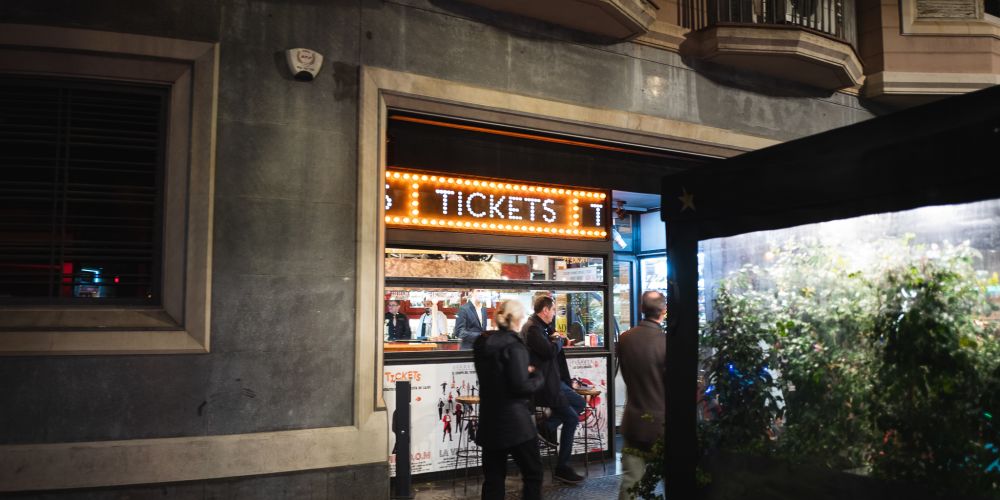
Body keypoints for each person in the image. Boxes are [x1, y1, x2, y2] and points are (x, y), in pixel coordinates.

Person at [473, 299, 544, 500]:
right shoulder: (515, 347)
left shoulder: (481, 344)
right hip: (516, 423)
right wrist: (536, 377)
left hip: (489, 420)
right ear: (517, 320)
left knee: (493, 478)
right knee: (533, 472)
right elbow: (520, 387)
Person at [521, 295, 585, 484]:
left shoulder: (543, 327)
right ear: (545, 310)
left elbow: (553, 353)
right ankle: (562, 467)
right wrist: (557, 340)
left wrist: (555, 339)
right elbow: (549, 351)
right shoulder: (532, 328)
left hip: (556, 381)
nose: (555, 313)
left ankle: (546, 426)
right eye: (554, 309)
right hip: (546, 385)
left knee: (580, 403)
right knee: (572, 418)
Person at [617, 291, 667, 500]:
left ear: (641, 309)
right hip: (662, 424)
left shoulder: (625, 339)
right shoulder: (666, 342)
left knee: (631, 482)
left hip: (634, 420)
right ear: (664, 311)